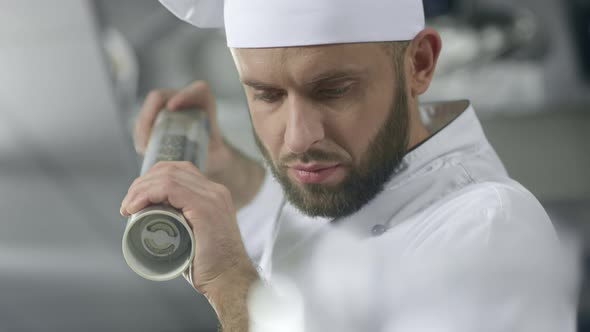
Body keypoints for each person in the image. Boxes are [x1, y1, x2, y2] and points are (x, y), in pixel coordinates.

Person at [119, 0, 577, 331]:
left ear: (419, 63)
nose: (299, 137)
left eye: (333, 90)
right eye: (267, 95)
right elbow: (311, 250)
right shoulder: (358, 174)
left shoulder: (487, 231)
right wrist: (231, 176)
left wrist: (232, 286)